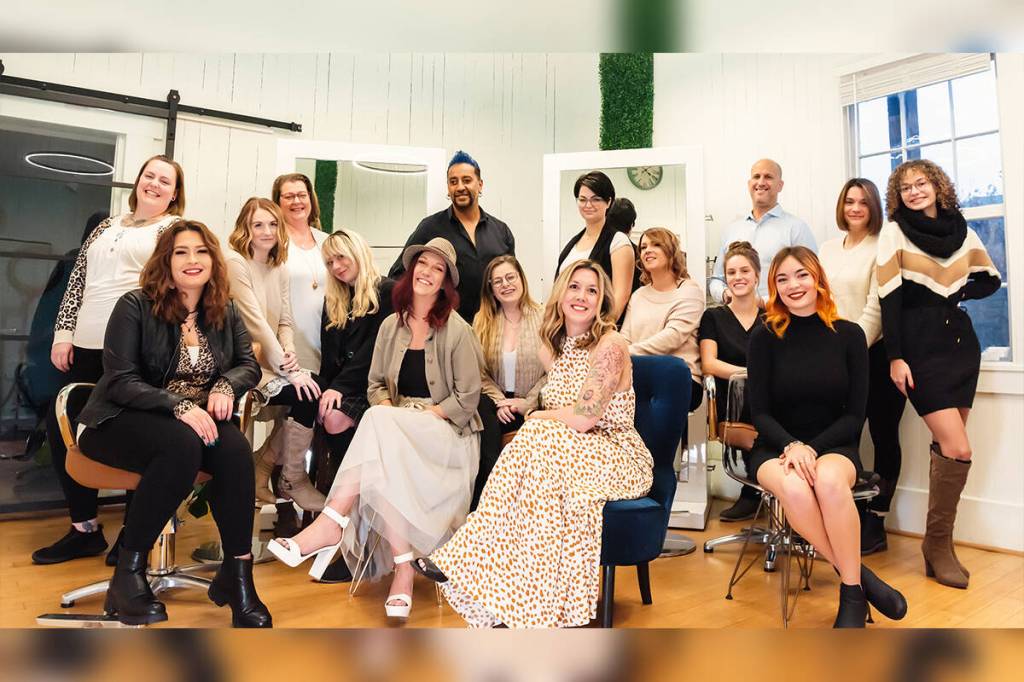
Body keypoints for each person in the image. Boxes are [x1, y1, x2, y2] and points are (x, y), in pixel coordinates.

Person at [413, 260, 654, 629]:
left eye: (592, 290)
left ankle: (467, 555)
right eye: (575, 287)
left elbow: (584, 418)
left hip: (616, 454)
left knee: (536, 434)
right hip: (567, 452)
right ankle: (524, 601)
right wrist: (537, 418)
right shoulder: (554, 348)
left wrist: (538, 415)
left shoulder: (611, 345)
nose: (582, 296)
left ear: (602, 301)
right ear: (561, 294)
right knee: (537, 466)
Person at [268, 237, 481, 622]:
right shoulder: (390, 325)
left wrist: (417, 416)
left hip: (446, 433)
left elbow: (467, 399)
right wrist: (390, 412)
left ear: (446, 282)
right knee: (382, 436)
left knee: (378, 425)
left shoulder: (458, 330)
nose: (427, 272)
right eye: (422, 264)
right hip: (396, 426)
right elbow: (376, 386)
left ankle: (331, 522)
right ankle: (403, 569)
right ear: (411, 270)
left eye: (437, 269)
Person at [75, 220, 270, 627]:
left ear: (213, 260)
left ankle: (237, 575)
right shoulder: (134, 305)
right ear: (166, 260)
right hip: (118, 419)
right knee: (182, 445)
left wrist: (226, 385)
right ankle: (127, 574)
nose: (192, 260)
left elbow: (248, 365)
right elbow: (120, 380)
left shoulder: (225, 309)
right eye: (181, 252)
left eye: (201, 251)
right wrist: (177, 405)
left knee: (235, 450)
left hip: (189, 423)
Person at [33, 155, 185, 567]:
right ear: (138, 181)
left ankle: (135, 533)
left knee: (136, 434)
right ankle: (84, 530)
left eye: (165, 180)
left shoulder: (173, 229)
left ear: (175, 193)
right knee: (64, 428)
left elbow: (174, 289)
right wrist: (63, 333)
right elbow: (78, 280)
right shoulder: (106, 226)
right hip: (85, 341)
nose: (154, 183)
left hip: (135, 345)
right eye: (149, 175)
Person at [747, 247, 905, 628]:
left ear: (817, 277)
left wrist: (811, 448)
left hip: (834, 445)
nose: (793, 285)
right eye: (782, 279)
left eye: (801, 274)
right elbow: (760, 413)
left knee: (830, 483)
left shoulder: (850, 336)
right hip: (775, 447)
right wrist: (791, 446)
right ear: (774, 288)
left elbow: (854, 415)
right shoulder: (763, 337)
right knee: (796, 488)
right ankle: (858, 582)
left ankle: (851, 591)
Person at [878, 160, 1000, 589]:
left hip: (960, 346)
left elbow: (990, 280)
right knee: (959, 447)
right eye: (905, 187)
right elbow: (888, 299)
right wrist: (895, 357)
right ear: (898, 196)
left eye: (921, 183)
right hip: (918, 349)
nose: (914, 191)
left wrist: (957, 288)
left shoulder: (961, 231)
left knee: (948, 450)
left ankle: (938, 545)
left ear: (937, 186)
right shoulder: (894, 232)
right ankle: (937, 544)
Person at [819, 179, 903, 554]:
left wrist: (849, 350)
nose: (855, 208)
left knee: (883, 436)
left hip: (874, 356)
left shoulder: (882, 246)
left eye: (863, 202)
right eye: (849, 201)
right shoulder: (827, 248)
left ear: (873, 208)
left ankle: (876, 520)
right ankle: (845, 515)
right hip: (832, 354)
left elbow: (876, 308)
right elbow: (819, 299)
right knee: (843, 437)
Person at [225, 197, 323, 510]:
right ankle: (284, 475)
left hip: (272, 359)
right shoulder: (236, 263)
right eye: (258, 225)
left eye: (272, 224)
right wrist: (289, 369)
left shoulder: (279, 266)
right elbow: (255, 322)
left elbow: (284, 321)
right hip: (243, 362)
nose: (267, 231)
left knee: (314, 389)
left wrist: (290, 353)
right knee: (305, 393)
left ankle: (269, 466)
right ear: (246, 228)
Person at [312, 229, 396, 584]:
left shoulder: (387, 291)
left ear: (358, 253)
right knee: (322, 414)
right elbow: (329, 357)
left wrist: (338, 388)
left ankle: (353, 539)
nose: (336, 266)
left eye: (341, 257)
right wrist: (324, 390)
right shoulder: (334, 300)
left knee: (334, 421)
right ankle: (353, 538)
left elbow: (376, 351)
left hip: (375, 387)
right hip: (345, 387)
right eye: (330, 262)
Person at [389, 151, 515, 322]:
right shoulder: (430, 227)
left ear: (480, 185)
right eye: (453, 182)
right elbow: (399, 276)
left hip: (495, 326)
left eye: (467, 180)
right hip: (446, 328)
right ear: (448, 188)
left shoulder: (501, 231)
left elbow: (512, 280)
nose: (460, 187)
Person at [471, 255, 545, 508]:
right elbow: (478, 372)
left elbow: (554, 370)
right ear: (491, 288)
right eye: (498, 281)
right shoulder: (482, 321)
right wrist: (500, 401)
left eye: (510, 277)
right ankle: (486, 505)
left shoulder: (544, 317)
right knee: (483, 418)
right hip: (496, 404)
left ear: (521, 279)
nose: (505, 284)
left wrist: (527, 402)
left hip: (534, 403)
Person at [698, 240, 764, 521]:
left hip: (769, 399)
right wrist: (750, 374)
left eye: (745, 271)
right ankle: (753, 493)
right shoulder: (713, 317)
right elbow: (709, 363)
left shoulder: (773, 318)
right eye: (732, 272)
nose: (738, 277)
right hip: (732, 403)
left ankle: (768, 492)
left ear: (757, 276)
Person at [709, 159, 817, 303]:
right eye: (756, 176)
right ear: (749, 184)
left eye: (768, 177)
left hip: (779, 314)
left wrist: (763, 302)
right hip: (737, 313)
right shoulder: (731, 230)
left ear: (780, 185)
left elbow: (812, 278)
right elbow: (717, 279)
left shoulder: (796, 228)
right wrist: (725, 294)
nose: (761, 182)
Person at [620, 227, 704, 411]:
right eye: (643, 247)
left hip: (679, 377)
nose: (647, 250)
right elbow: (625, 337)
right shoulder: (638, 295)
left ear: (671, 250)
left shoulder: (690, 290)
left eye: (656, 244)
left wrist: (624, 352)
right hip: (638, 372)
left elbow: (673, 337)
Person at [555, 171, 634, 320]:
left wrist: (600, 330)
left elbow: (621, 297)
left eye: (596, 199)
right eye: (582, 199)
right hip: (566, 326)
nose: (588, 205)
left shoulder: (618, 242)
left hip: (598, 327)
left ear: (608, 202)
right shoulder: (572, 243)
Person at [272, 173, 330, 373]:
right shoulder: (273, 243)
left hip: (326, 334)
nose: (296, 201)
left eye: (302, 195)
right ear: (278, 203)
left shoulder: (326, 241)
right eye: (289, 196)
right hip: (291, 335)